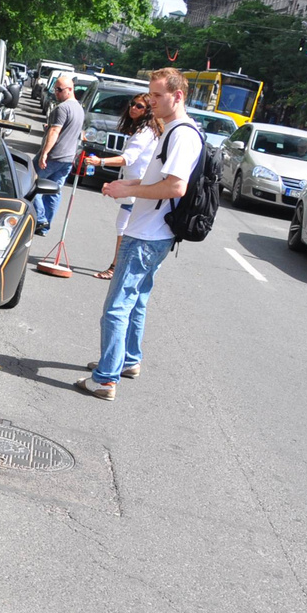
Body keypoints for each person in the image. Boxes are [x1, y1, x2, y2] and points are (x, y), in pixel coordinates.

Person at [77, 68, 201, 400]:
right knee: (138, 300)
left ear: (178, 96)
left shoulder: (182, 135)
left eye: (158, 96)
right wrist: (126, 185)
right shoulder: (171, 130)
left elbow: (175, 187)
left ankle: (105, 378)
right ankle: (127, 360)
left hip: (148, 234)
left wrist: (130, 192)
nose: (150, 102)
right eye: (150, 95)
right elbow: (154, 179)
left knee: (118, 305)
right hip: (152, 232)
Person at [88, 94, 160, 279]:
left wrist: (100, 161)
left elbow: (128, 159)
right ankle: (122, 267)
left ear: (148, 112)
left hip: (138, 188)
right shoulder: (145, 130)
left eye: (139, 106)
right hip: (137, 186)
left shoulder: (145, 133)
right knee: (129, 227)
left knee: (124, 226)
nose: (133, 108)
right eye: (132, 104)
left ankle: (116, 267)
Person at [33, 73, 84, 235]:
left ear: (70, 89)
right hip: (68, 158)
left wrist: (44, 154)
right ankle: (45, 226)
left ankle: (41, 220)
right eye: (55, 89)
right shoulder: (79, 109)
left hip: (55, 156)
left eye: (60, 89)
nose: (56, 92)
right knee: (54, 191)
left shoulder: (62, 108)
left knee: (32, 184)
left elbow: (55, 131)